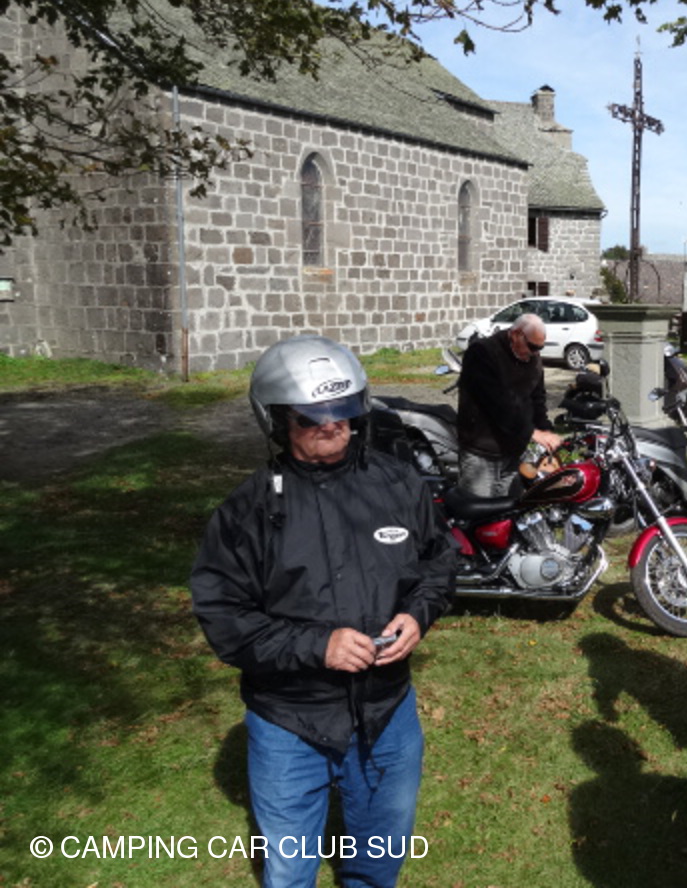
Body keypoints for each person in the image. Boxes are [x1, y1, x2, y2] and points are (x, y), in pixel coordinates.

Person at [190, 334, 457, 888]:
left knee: (379, 860)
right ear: (276, 419)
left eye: (344, 411)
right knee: (289, 870)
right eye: (313, 418)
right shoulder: (248, 510)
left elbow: (439, 562)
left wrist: (418, 613)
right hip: (290, 719)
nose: (333, 426)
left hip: (386, 711)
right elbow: (223, 617)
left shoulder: (397, 483)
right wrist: (318, 646)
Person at [456, 312, 562, 496]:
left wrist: (546, 431)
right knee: (479, 508)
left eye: (540, 347)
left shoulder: (533, 359)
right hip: (482, 451)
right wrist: (532, 433)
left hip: (514, 451)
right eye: (532, 346)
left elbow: (537, 399)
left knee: (511, 509)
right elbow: (497, 403)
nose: (535, 352)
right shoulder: (482, 352)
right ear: (516, 334)